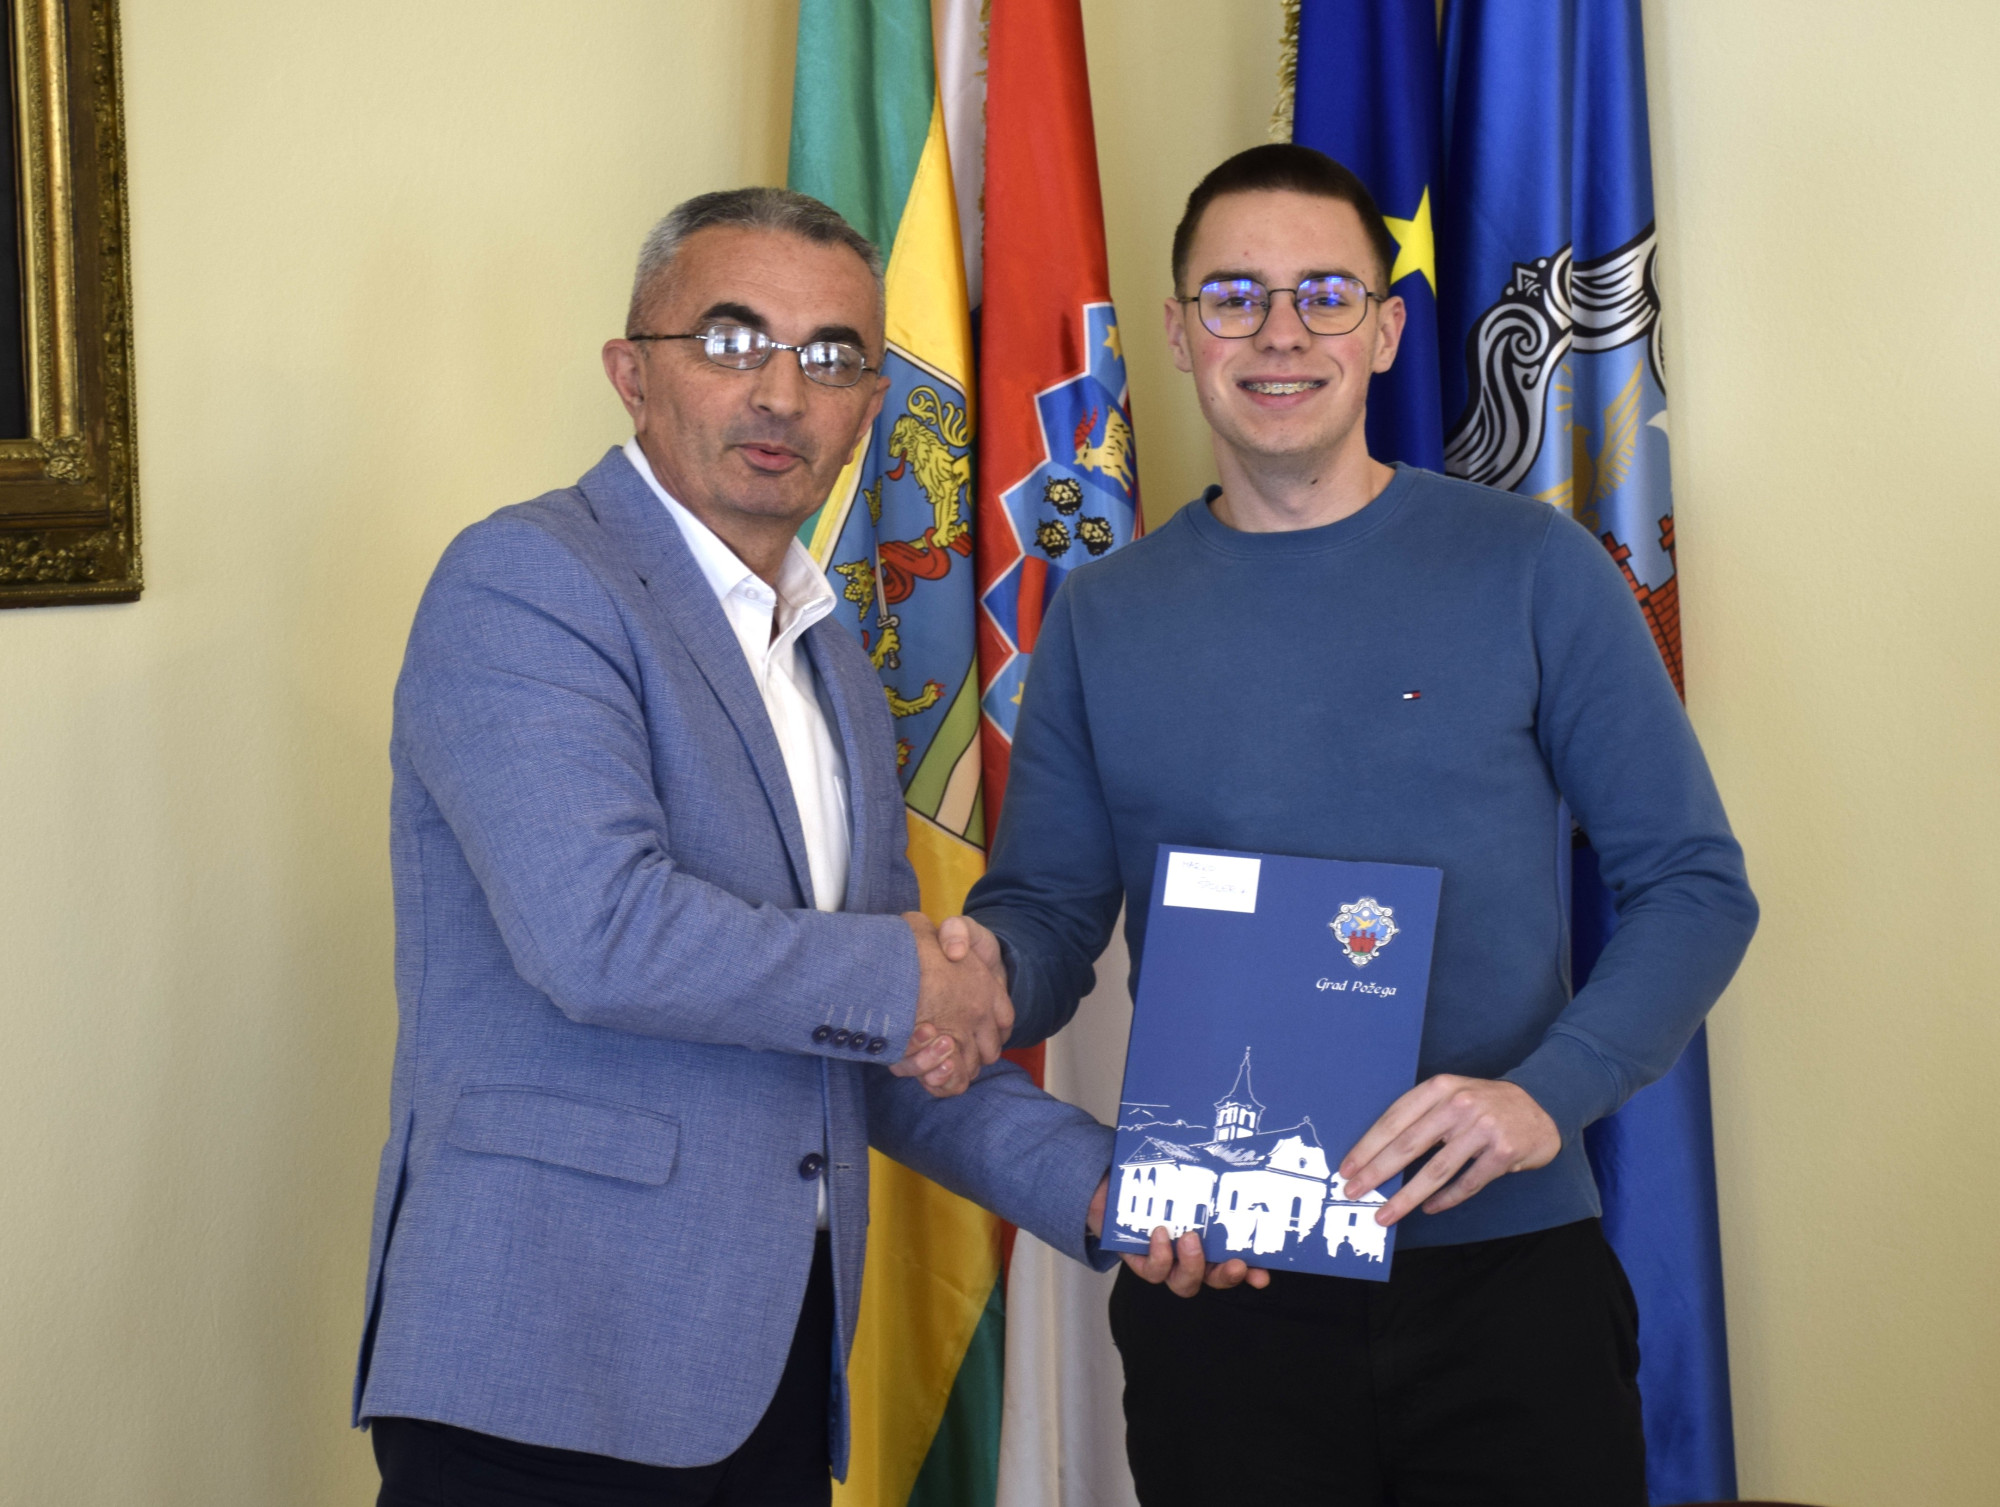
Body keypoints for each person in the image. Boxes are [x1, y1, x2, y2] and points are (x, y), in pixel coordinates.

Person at [948, 144, 1759, 1506]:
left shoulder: (1534, 568)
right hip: (1224, 1276)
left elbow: (1693, 885)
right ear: (1178, 332)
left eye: (1325, 294)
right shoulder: (1102, 615)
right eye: (1234, 297)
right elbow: (1046, 917)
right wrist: (968, 980)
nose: (1281, 333)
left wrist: (1545, 1096)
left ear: (1384, 331)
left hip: (1509, 1278)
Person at [352, 187, 1116, 1507]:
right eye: (730, 339)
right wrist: (914, 979)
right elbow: (602, 936)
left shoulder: (832, 658)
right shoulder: (528, 581)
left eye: (831, 356)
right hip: (543, 1365)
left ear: (870, 406)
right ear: (631, 375)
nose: (780, 392)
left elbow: (865, 1037)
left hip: (770, 1373)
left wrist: (1107, 1192)